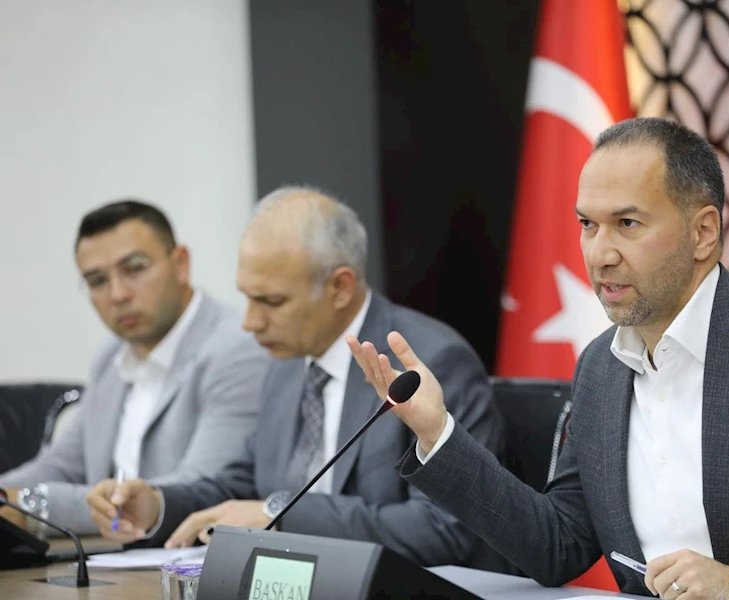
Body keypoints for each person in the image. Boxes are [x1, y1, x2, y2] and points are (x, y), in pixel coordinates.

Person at [348, 117, 729, 600]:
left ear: (703, 232)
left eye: (627, 224)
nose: (599, 253)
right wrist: (436, 432)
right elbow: (558, 544)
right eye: (587, 224)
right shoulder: (600, 368)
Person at [86, 187, 505, 569]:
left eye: (270, 301)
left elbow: (445, 528)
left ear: (340, 287)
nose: (249, 322)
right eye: (247, 298)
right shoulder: (287, 363)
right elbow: (241, 485)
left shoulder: (426, 364)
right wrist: (157, 505)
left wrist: (282, 515)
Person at [0, 200, 269, 535]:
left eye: (135, 268)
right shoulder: (110, 357)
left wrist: (33, 506)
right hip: (112, 554)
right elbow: (61, 464)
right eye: (97, 280)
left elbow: (201, 489)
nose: (118, 294)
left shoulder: (238, 347)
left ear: (181, 264)